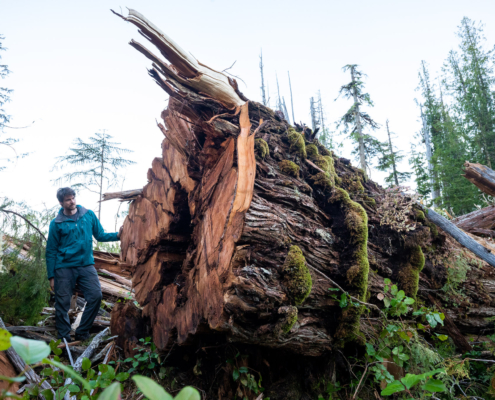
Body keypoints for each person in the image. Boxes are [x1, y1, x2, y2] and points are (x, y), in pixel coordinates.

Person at [45, 187, 122, 342]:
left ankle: (82, 332)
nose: (72, 201)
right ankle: (64, 338)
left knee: (95, 296)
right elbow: (51, 251)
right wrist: (51, 276)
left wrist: (119, 235)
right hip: (63, 267)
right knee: (62, 304)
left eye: (73, 197)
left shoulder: (88, 215)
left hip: (86, 265)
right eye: (68, 199)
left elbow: (100, 235)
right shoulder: (57, 223)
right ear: (61, 202)